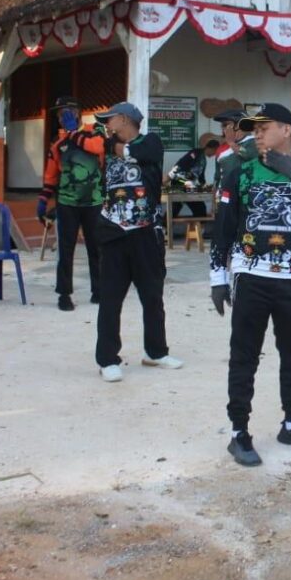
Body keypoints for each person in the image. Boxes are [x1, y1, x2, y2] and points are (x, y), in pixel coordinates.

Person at [210, 103, 291, 466]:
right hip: (251, 277)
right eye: (254, 128)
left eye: (265, 127)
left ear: (288, 130)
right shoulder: (240, 171)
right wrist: (218, 276)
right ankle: (238, 433)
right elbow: (224, 227)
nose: (257, 132)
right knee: (244, 355)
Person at [91, 102, 183, 382]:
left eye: (110, 119)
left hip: (145, 232)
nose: (106, 124)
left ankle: (156, 352)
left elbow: (146, 153)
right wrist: (117, 148)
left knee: (152, 296)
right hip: (114, 232)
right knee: (110, 298)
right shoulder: (107, 144)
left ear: (124, 119)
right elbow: (106, 147)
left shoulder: (152, 141)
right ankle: (107, 359)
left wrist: (123, 150)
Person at [37, 97, 105, 311]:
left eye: (69, 111)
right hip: (67, 203)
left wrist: (73, 133)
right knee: (65, 251)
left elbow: (98, 148)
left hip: (94, 202)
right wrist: (42, 201)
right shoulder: (57, 145)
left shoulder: (95, 130)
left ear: (78, 112)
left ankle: (99, 290)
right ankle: (64, 294)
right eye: (60, 113)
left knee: (97, 248)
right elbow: (51, 177)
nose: (64, 116)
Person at [168, 134, 219, 218]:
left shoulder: (203, 160)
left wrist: (204, 184)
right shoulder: (195, 153)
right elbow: (181, 163)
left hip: (188, 185)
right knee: (179, 207)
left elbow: (201, 176)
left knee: (197, 208)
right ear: (211, 148)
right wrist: (169, 176)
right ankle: (164, 227)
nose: (215, 154)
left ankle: (197, 227)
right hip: (180, 182)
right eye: (215, 151)